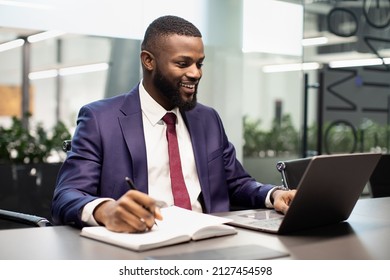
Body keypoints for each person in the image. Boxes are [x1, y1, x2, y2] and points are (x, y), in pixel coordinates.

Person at [52, 15, 296, 233]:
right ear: (148, 61)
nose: (196, 73)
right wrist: (106, 210)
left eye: (199, 63)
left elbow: (236, 183)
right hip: (142, 243)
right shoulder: (100, 119)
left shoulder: (207, 119)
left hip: (213, 240)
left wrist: (273, 194)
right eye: (183, 63)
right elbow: (67, 195)